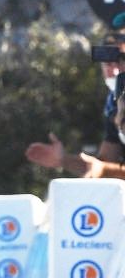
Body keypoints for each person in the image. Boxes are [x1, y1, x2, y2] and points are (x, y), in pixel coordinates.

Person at [26, 32, 125, 179]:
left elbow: (104, 170)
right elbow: (103, 166)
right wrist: (64, 160)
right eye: (108, 63)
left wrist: (103, 170)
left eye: (122, 61)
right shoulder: (112, 103)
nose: (115, 70)